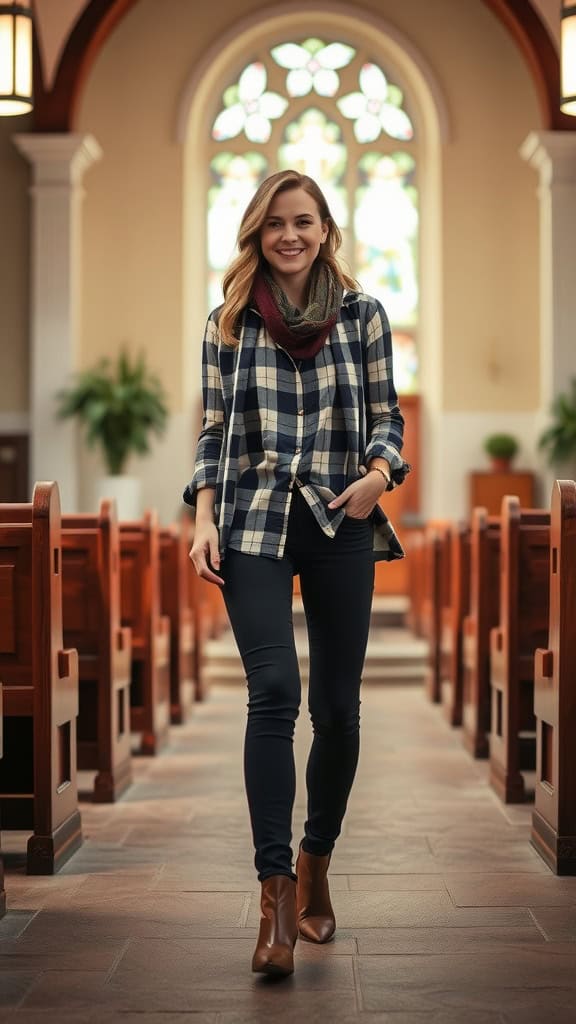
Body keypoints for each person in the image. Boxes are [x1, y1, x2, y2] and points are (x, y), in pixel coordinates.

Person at [184, 170, 410, 977]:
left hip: (341, 519)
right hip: (252, 519)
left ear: (325, 230)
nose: (290, 235)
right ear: (256, 231)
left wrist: (379, 478)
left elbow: (389, 416)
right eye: (276, 222)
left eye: (304, 221)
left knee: (338, 712)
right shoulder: (229, 323)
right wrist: (203, 516)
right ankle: (275, 893)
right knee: (273, 693)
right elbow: (213, 431)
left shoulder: (363, 316)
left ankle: (317, 860)